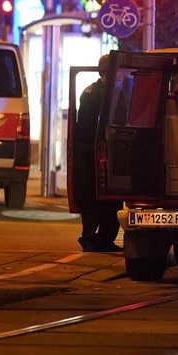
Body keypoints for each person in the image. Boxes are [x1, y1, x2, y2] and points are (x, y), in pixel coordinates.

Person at [71, 55, 122, 252]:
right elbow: (86, 127)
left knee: (110, 197)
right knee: (93, 194)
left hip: (105, 150)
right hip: (92, 152)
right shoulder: (94, 93)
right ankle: (91, 238)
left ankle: (104, 239)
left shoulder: (111, 92)